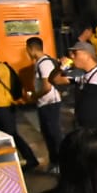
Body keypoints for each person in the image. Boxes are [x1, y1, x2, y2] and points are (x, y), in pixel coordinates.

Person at [0, 46, 39, 170]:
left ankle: (31, 159)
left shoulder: (0, 67)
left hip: (5, 107)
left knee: (12, 134)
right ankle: (11, 160)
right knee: (4, 136)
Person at [26, 36, 67, 172]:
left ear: (32, 49)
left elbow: (47, 86)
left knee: (53, 133)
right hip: (45, 103)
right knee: (48, 133)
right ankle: (55, 162)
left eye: (27, 49)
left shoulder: (44, 63)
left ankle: (60, 163)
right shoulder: (41, 62)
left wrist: (34, 96)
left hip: (50, 102)